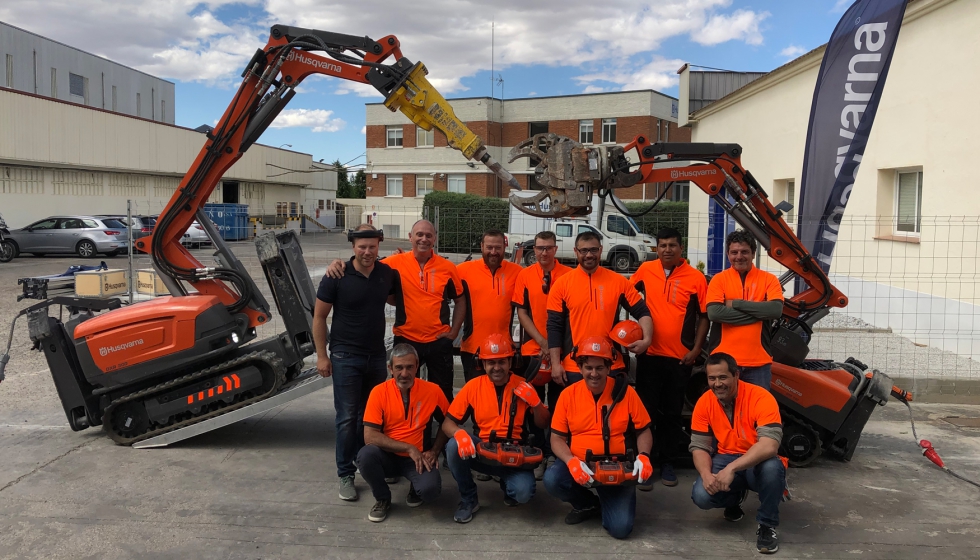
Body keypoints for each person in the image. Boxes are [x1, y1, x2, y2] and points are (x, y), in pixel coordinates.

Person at [326, 219, 465, 404]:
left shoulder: (447, 268)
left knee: (443, 395)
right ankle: (403, 431)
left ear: (435, 239)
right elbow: (364, 262)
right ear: (410, 237)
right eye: (419, 235)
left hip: (438, 342)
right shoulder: (393, 263)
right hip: (406, 339)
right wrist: (337, 263)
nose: (424, 239)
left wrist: (454, 330)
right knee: (402, 394)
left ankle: (443, 432)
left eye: (428, 235)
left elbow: (460, 299)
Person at [313, 224, 399, 502]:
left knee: (372, 417)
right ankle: (345, 474)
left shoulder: (386, 274)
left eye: (372, 246)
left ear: (379, 246)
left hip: (376, 356)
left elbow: (396, 298)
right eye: (362, 246)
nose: (367, 251)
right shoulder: (336, 275)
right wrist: (322, 356)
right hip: (344, 356)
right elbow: (318, 318)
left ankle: (369, 464)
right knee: (347, 418)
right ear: (353, 247)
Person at [544, 336, 654, 539]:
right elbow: (557, 438)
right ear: (579, 367)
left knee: (621, 529)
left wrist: (644, 456)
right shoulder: (568, 395)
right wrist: (571, 462)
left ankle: (609, 502)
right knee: (552, 479)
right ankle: (587, 504)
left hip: (618, 469)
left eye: (599, 368)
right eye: (588, 368)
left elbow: (643, 430)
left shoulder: (626, 393)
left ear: (609, 367)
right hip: (582, 466)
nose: (594, 374)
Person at [441, 333, 551, 523]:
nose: (497, 368)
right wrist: (459, 434)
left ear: (511, 361)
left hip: (515, 456)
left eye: (502, 362)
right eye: (491, 363)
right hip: (484, 451)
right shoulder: (472, 387)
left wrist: (536, 404)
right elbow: (447, 424)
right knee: (453, 446)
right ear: (482, 364)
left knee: (523, 493)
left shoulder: (523, 385)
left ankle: (508, 485)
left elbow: (543, 423)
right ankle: (468, 499)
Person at [630, 227, 709, 488]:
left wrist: (696, 350)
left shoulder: (696, 278)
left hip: (679, 359)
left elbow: (704, 317)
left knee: (672, 414)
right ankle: (646, 463)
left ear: (681, 249)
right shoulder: (645, 270)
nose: (666, 250)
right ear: (657, 249)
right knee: (646, 413)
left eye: (672, 245)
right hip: (649, 355)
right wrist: (631, 333)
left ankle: (668, 462)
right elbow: (626, 297)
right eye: (662, 245)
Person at [690, 352, 786, 555]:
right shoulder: (704, 402)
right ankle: (734, 498)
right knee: (701, 495)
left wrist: (731, 468)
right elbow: (699, 446)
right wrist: (707, 475)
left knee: (772, 468)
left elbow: (769, 445)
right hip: (725, 457)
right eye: (712, 378)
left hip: (756, 459)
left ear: (736, 375)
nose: (717, 384)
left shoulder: (761, 397)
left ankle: (767, 525)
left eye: (723, 377)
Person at [546, 230, 652, 388]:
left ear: (601, 250)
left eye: (593, 250)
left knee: (611, 412)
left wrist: (647, 340)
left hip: (611, 365)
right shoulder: (561, 284)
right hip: (574, 366)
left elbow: (642, 312)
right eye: (584, 250)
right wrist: (555, 364)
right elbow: (554, 326)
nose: (589, 255)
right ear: (576, 252)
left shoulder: (618, 281)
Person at [357, 344, 450, 523]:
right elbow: (370, 436)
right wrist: (408, 448)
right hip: (387, 456)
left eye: (409, 367)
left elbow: (449, 422)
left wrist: (435, 451)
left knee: (430, 491)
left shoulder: (433, 391)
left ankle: (416, 488)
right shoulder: (378, 393)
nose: (404, 373)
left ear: (417, 366)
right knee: (365, 455)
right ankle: (382, 498)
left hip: (418, 459)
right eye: (399, 367)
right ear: (390, 368)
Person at [512, 230, 572, 479]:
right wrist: (541, 341)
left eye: (548, 248)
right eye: (539, 248)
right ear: (533, 250)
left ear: (555, 249)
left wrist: (555, 346)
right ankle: (535, 451)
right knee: (531, 406)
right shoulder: (525, 276)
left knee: (559, 407)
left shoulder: (570, 275)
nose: (544, 252)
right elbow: (522, 312)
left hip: (563, 356)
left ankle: (554, 455)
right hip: (532, 353)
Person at [706, 230, 784, 390]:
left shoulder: (769, 280)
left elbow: (775, 310)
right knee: (724, 411)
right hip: (723, 363)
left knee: (757, 412)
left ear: (753, 253)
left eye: (744, 252)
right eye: (734, 252)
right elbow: (714, 313)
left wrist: (736, 304)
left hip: (758, 362)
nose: (739, 256)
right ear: (728, 254)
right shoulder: (719, 280)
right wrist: (759, 312)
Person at [457, 229, 523, 381]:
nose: (494, 252)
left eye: (498, 247)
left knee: (503, 398)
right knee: (475, 398)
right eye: (489, 247)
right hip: (473, 348)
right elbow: (438, 277)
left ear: (504, 247)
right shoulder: (463, 271)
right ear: (481, 246)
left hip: (505, 349)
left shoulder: (518, 272)